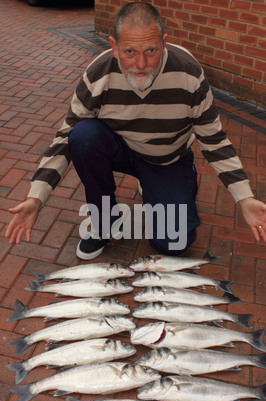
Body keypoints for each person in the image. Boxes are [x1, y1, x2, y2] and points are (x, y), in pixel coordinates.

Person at [5, 2, 266, 260]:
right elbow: (64, 138)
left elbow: (214, 140)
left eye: (151, 50)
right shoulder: (98, 75)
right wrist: (35, 199)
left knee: (173, 244)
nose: (141, 63)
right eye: (130, 51)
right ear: (114, 47)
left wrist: (244, 198)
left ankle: (173, 180)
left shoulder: (189, 73)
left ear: (164, 43)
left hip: (167, 159)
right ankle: (105, 222)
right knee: (82, 136)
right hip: (122, 149)